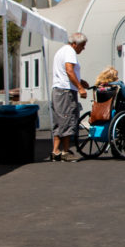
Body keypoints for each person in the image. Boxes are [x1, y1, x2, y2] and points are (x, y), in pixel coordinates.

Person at [51, 32, 89, 162]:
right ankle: (65, 152)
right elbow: (69, 70)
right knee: (68, 119)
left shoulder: (61, 51)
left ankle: (55, 151)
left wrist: (80, 81)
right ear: (74, 44)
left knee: (60, 120)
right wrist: (80, 88)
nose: (83, 48)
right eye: (82, 45)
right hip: (66, 91)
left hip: (58, 89)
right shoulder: (70, 51)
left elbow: (65, 72)